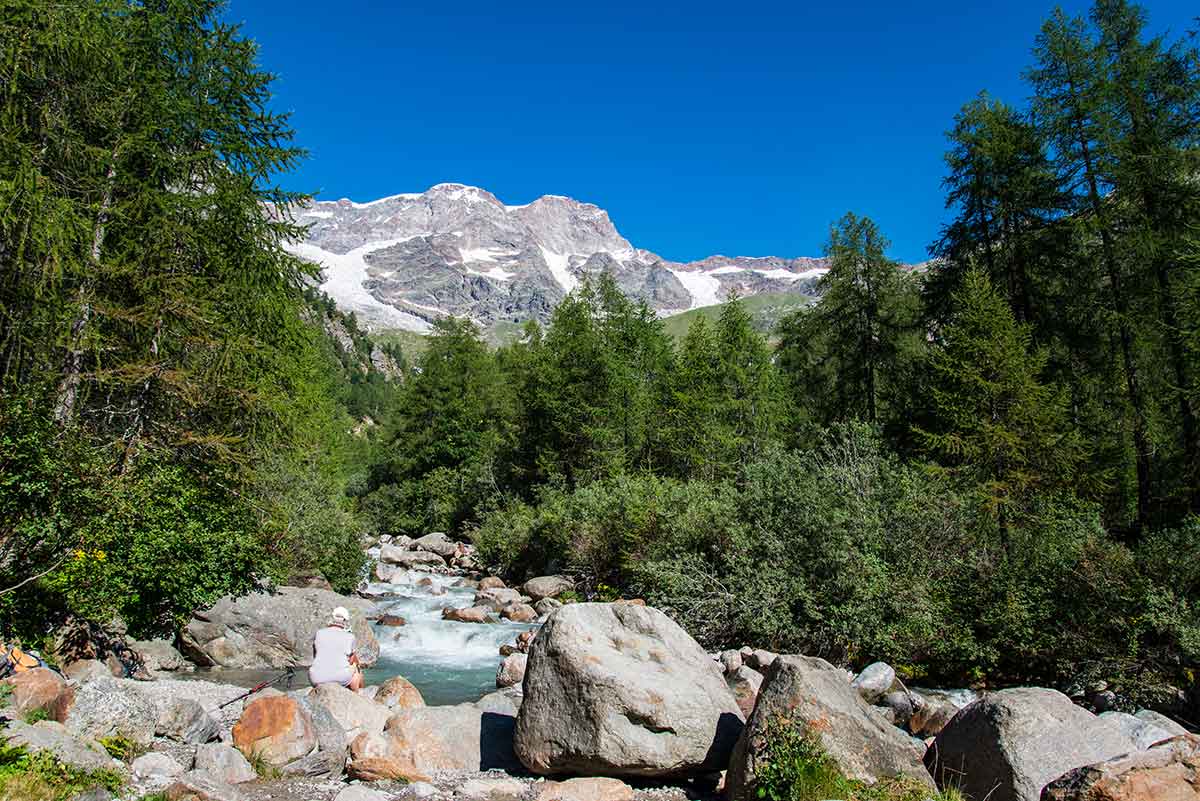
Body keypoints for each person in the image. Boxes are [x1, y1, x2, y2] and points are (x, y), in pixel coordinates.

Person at [308, 606, 363, 691]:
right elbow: (351, 661)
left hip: (315, 678)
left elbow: (315, 655)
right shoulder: (350, 637)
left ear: (332, 618)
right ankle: (357, 695)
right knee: (356, 666)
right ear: (345, 621)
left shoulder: (319, 633)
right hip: (340, 679)